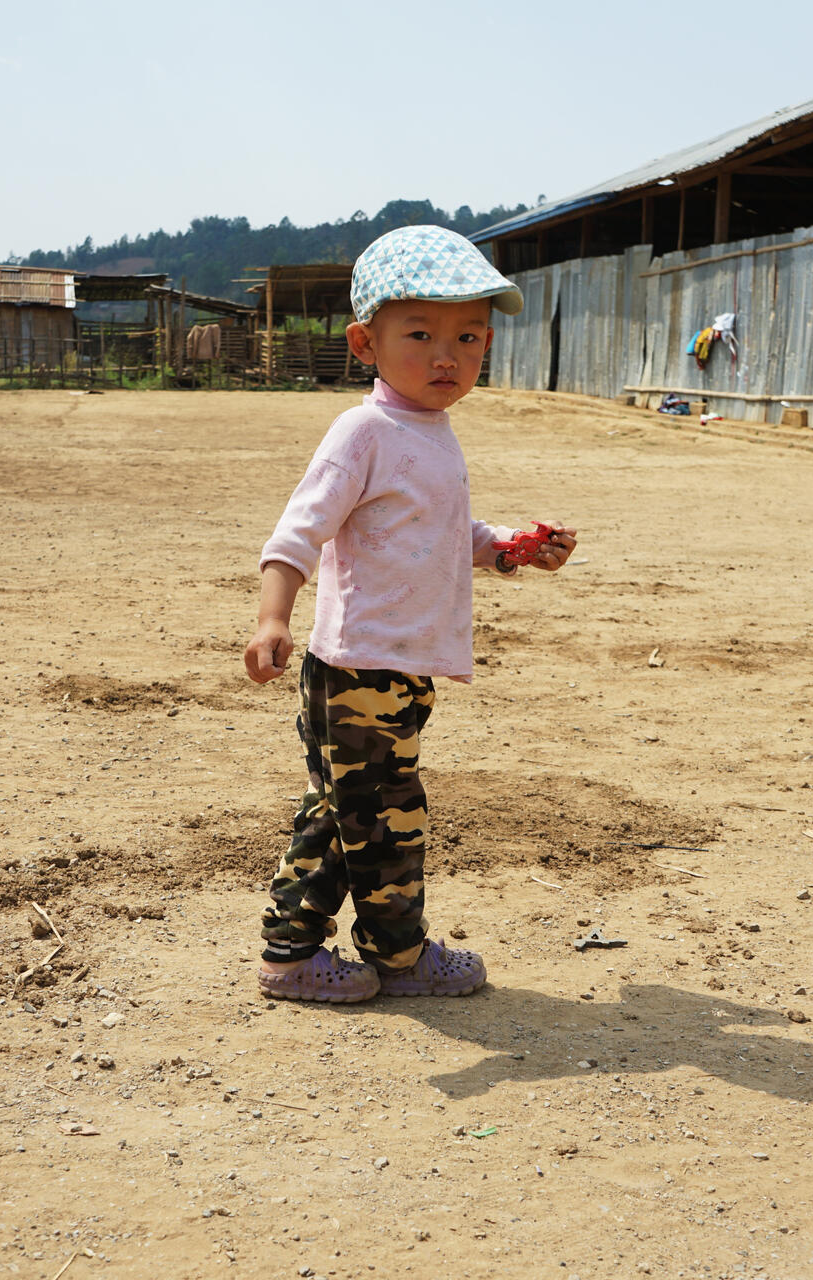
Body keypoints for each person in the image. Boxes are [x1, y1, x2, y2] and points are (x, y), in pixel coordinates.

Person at [243, 225, 577, 1004]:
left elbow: (439, 534)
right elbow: (298, 532)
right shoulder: (365, 430)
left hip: (397, 669)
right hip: (360, 667)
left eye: (468, 337)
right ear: (365, 341)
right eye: (420, 334)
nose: (446, 356)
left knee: (343, 810)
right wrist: (272, 618)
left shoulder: (429, 431)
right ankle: (398, 957)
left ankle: (292, 956)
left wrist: (509, 549)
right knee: (387, 817)